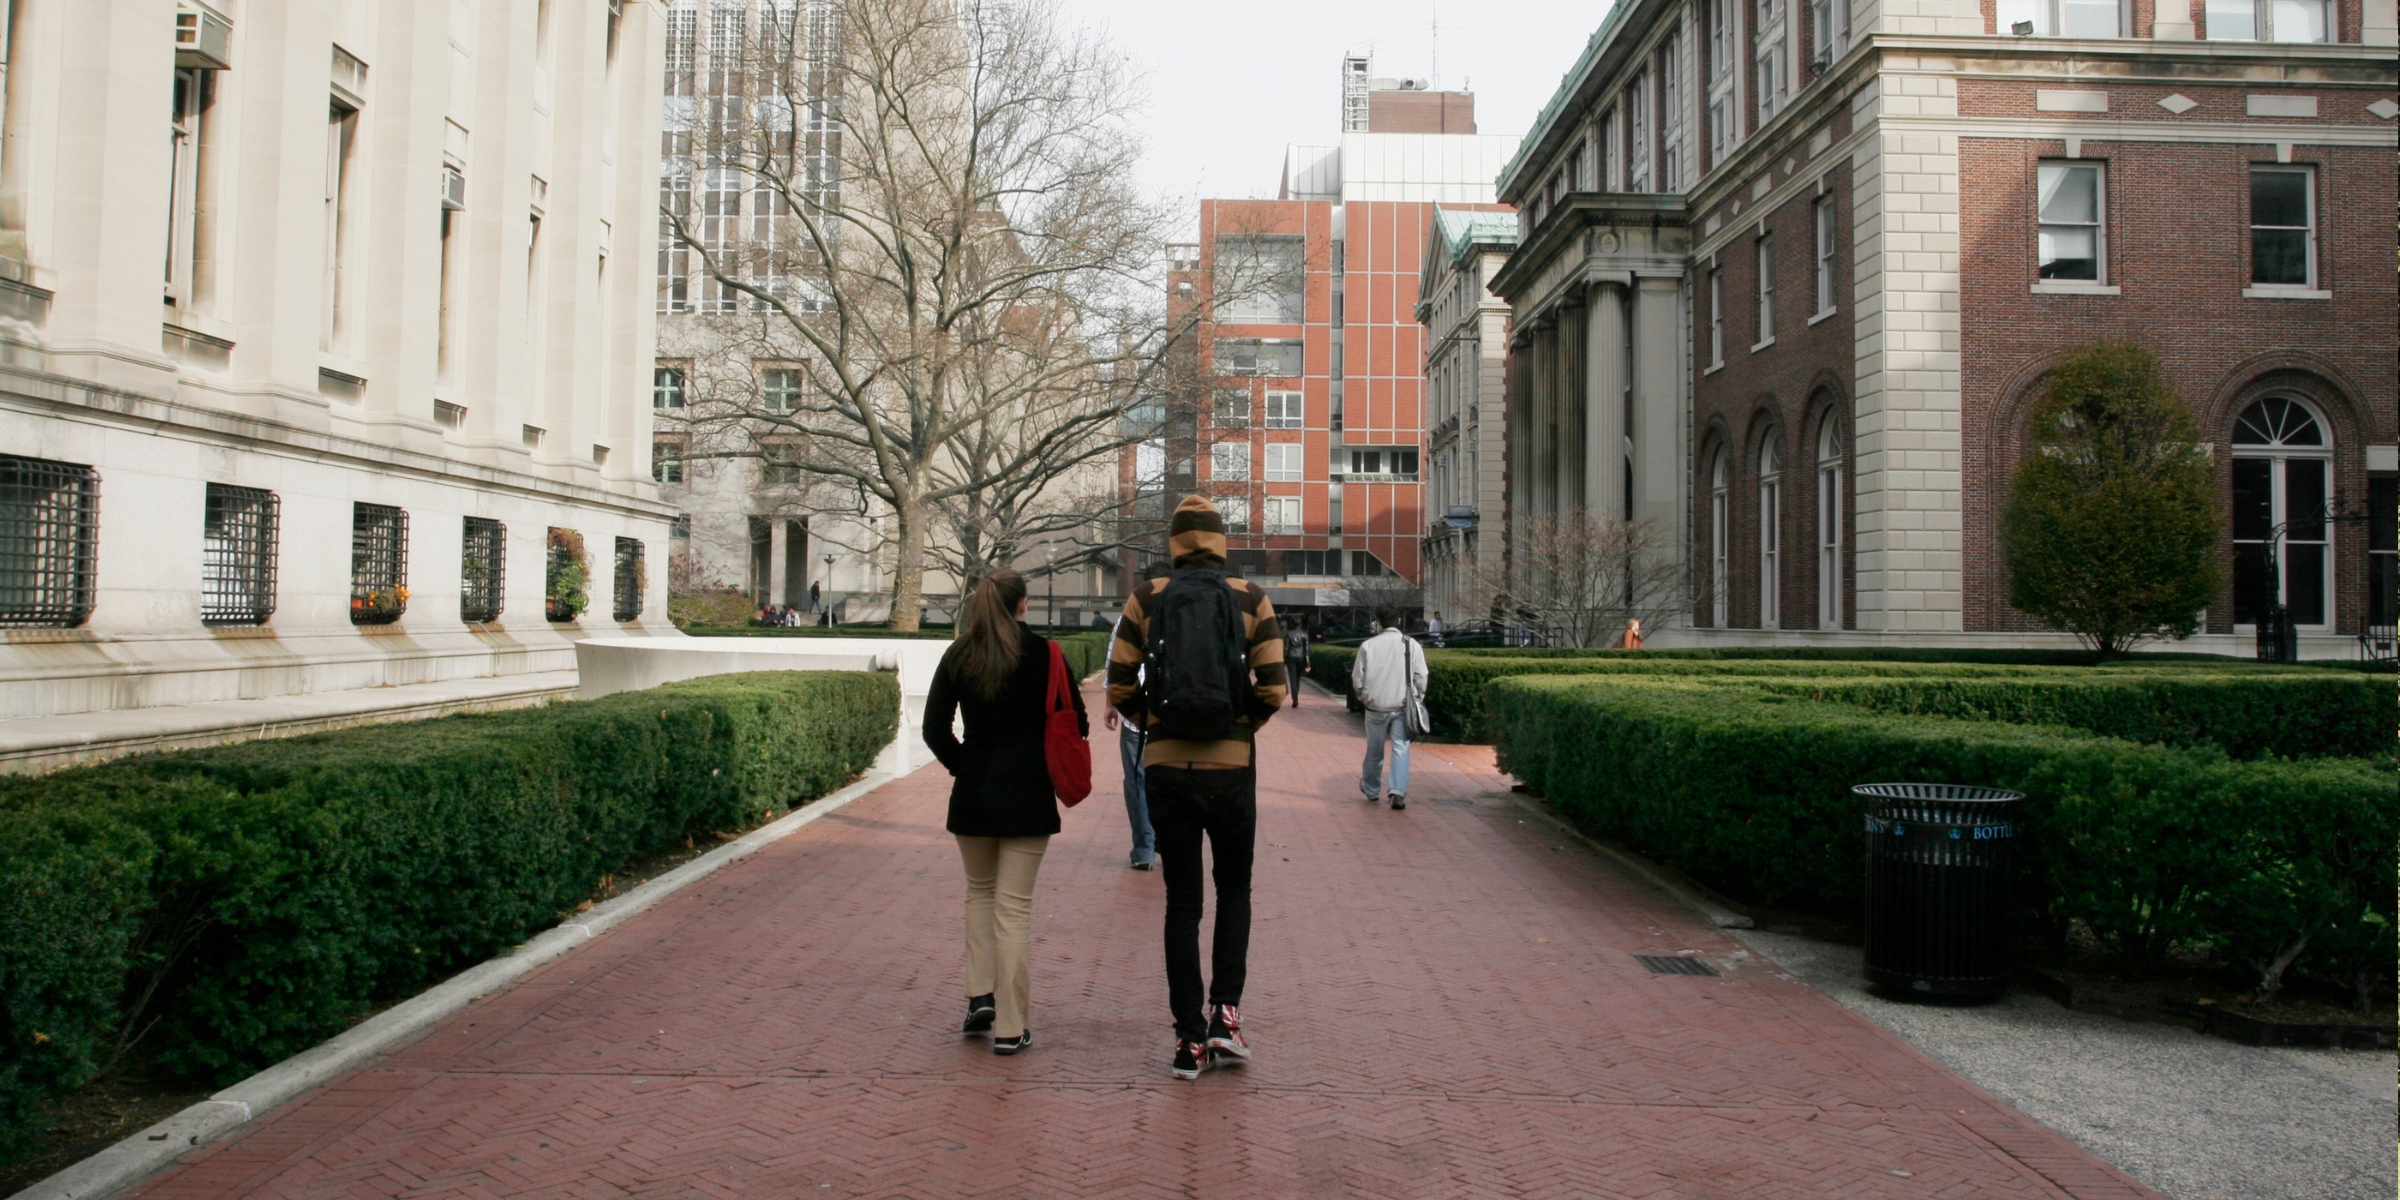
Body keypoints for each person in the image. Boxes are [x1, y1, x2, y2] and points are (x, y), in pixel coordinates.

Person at [1107, 495, 1286, 1080]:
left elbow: (1118, 685)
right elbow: (1273, 686)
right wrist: (1240, 725)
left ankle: (1187, 1041)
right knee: (1235, 891)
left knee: (1182, 903)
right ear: (1220, 541)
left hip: (1165, 769)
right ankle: (1224, 1019)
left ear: (1175, 544)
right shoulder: (1249, 598)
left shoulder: (1147, 597)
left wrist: (1156, 721)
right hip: (1231, 771)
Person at [922, 569, 1086, 1056]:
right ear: (1023, 604)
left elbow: (934, 729)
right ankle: (1011, 1027)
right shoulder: (1046, 654)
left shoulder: (959, 653)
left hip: (974, 793)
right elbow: (1073, 719)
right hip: (1029, 796)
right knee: (1013, 909)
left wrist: (966, 766)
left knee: (979, 895)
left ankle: (980, 999)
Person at [1350, 606, 1427, 811]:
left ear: (1380, 623)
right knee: (1401, 747)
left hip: (1375, 706)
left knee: (1374, 750)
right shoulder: (1411, 645)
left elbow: (1358, 678)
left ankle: (1372, 788)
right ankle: (1397, 792)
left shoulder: (1368, 646)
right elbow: (1421, 676)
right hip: (1402, 706)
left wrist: (1363, 696)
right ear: (1399, 622)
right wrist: (1418, 697)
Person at [1103, 613, 1156, 870]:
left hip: (1136, 711)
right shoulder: (1186, 609)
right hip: (1174, 714)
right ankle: (1168, 840)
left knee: (1137, 779)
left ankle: (1144, 848)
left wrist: (1110, 704)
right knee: (1172, 778)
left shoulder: (1130, 617)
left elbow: (1115, 662)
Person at [1282, 622, 1311, 707]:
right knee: (1298, 677)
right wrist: (1308, 664)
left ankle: (1295, 699)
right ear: (1301, 625)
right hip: (1301, 657)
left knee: (1292, 678)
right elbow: (1307, 651)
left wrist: (1284, 659)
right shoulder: (1304, 634)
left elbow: (1286, 647)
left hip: (1291, 656)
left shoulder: (1289, 634)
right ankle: (1296, 694)